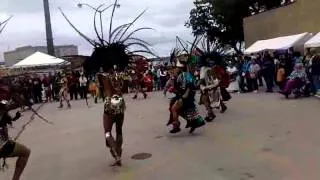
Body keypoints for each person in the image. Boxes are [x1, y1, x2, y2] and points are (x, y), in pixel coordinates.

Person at [167, 59, 205, 134]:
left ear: (181, 68)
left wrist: (185, 95)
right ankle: (191, 122)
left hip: (186, 96)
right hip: (180, 95)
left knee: (174, 109)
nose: (175, 68)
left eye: (177, 67)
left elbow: (190, 85)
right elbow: (178, 87)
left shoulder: (187, 75)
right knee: (178, 110)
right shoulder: (178, 76)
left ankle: (176, 125)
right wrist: (173, 89)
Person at [0, 100, 30, 180]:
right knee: (25, 152)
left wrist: (17, 115)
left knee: (24, 151)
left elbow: (11, 117)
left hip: (3, 145)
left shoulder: (4, 114)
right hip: (2, 146)